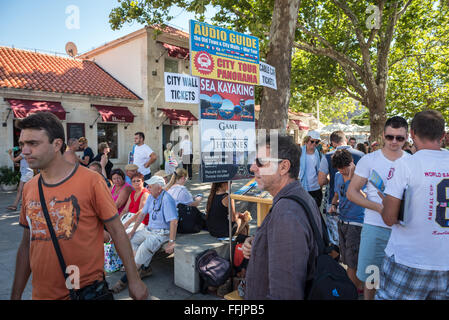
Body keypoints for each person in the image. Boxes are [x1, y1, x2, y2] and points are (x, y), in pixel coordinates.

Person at [10, 112, 148, 300]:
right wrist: (15, 295)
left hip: (85, 292)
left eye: (33, 143)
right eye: (23, 144)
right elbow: (27, 244)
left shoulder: (91, 182)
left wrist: (133, 279)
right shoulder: (30, 188)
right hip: (41, 294)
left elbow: (116, 231)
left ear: (57, 144)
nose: (25, 151)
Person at [376, 110, 449, 300]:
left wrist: (386, 202)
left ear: (413, 134)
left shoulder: (406, 165)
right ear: (443, 135)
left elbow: (389, 218)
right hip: (444, 261)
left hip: (409, 259)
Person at [242, 135, 323, 299]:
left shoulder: (287, 213)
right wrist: (257, 242)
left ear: (284, 166)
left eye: (261, 162)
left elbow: (286, 292)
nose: (252, 167)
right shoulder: (296, 199)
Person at [347, 116, 410, 300]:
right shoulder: (369, 159)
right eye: (390, 136)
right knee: (372, 276)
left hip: (402, 231)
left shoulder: (412, 162)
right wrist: (378, 208)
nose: (394, 142)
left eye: (400, 138)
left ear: (407, 137)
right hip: (375, 228)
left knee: (398, 279)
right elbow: (352, 192)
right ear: (383, 135)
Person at [112, 175, 178, 293]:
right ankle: (143, 267)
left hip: (161, 234)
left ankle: (123, 281)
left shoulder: (167, 199)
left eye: (151, 185)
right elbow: (142, 214)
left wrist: (171, 242)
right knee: (130, 241)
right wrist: (132, 231)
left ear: (159, 188)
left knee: (143, 249)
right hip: (149, 230)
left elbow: (173, 221)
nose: (148, 187)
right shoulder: (152, 197)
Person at [318, 131, 365, 246]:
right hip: (357, 208)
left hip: (349, 208)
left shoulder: (327, 156)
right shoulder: (361, 155)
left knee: (338, 241)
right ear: (346, 140)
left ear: (333, 142)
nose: (342, 170)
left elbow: (321, 181)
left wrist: (330, 181)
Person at [329, 149, 364, 291]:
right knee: (346, 258)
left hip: (356, 222)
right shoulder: (338, 176)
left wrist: (351, 181)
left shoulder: (361, 177)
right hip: (342, 220)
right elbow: (337, 194)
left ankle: (350, 291)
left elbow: (365, 197)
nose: (342, 171)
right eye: (338, 168)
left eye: (344, 168)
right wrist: (333, 204)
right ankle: (355, 286)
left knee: (351, 261)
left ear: (351, 163)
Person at [298, 130, 323, 209]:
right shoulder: (299, 152)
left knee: (315, 211)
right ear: (306, 141)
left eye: (316, 142)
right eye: (312, 141)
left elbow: (319, 170)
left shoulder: (317, 153)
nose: (314, 144)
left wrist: (320, 184)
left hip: (315, 187)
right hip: (303, 187)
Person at [7, 147, 34, 211]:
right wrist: (20, 165)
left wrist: (10, 154)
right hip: (28, 172)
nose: (19, 147)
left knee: (20, 190)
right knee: (26, 190)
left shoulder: (24, 153)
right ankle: (26, 203)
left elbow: (14, 160)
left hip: (26, 173)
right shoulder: (29, 152)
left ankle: (15, 205)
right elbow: (26, 163)